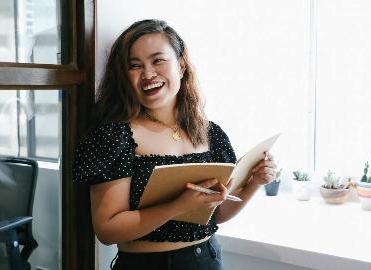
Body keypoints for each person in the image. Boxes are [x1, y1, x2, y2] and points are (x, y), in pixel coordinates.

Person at [73, 19, 276, 270]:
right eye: (135, 66)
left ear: (181, 66)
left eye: (158, 60)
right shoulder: (113, 136)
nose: (148, 74)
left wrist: (254, 183)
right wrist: (178, 206)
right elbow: (107, 230)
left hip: (208, 259)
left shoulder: (211, 133)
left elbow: (217, 215)